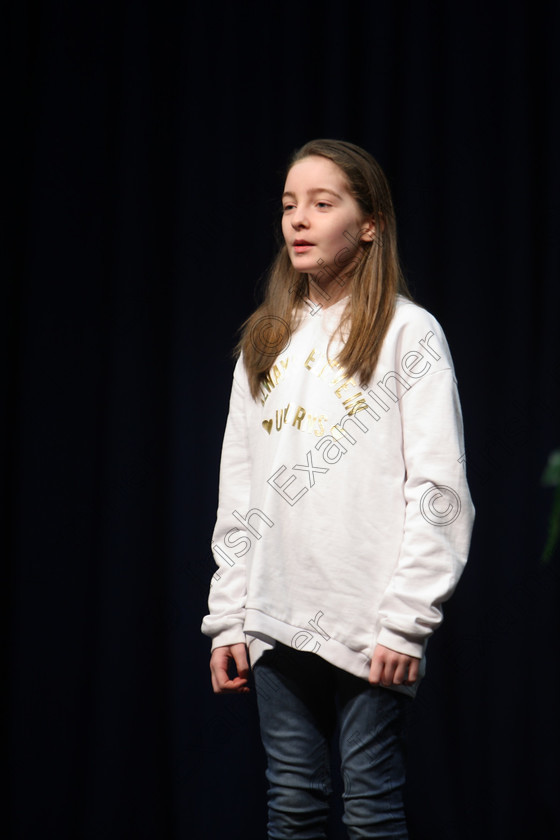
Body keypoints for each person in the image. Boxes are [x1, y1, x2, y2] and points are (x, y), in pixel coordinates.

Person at [201, 139, 475, 839]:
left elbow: (439, 490)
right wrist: (229, 617)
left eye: (323, 204)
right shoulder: (264, 340)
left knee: (371, 809)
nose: (300, 220)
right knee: (292, 806)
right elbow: (240, 493)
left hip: (367, 623)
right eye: (291, 205)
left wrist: (407, 619)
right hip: (276, 616)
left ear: (370, 222)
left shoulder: (407, 335)